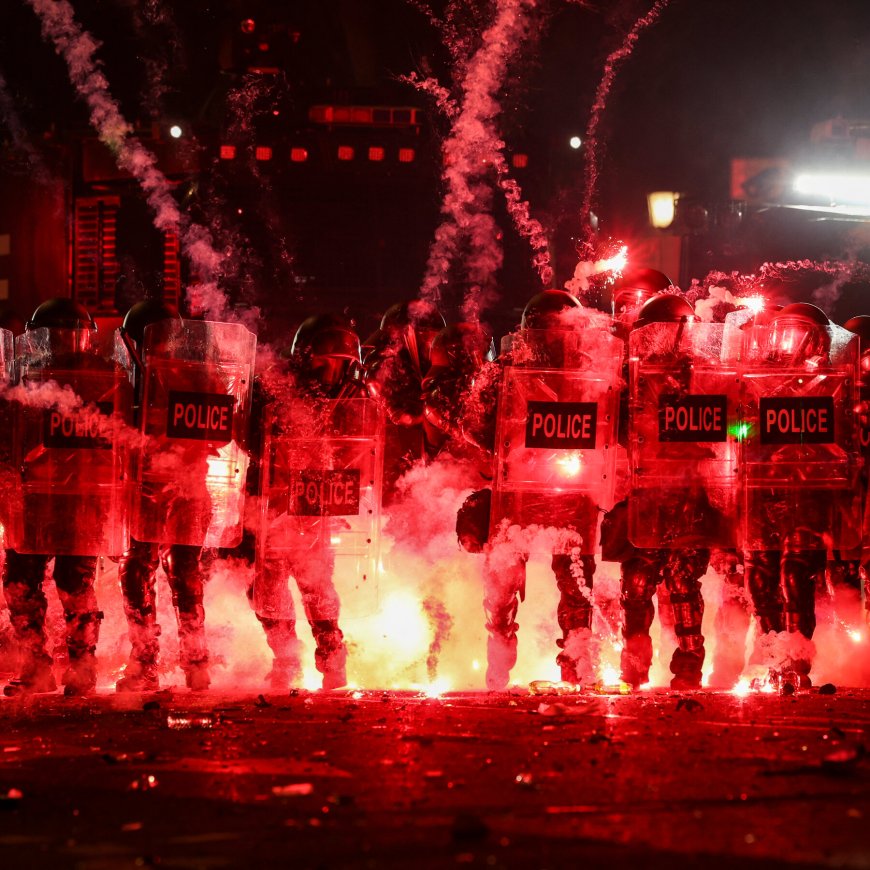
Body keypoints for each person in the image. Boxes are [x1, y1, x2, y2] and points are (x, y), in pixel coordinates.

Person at [458, 289, 621, 689]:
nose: (555, 338)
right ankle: (497, 663)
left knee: (576, 583)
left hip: (571, 489)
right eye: (548, 329)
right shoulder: (506, 369)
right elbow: (473, 419)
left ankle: (578, 664)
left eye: (562, 328)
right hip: (519, 487)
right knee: (503, 583)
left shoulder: (594, 371)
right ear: (532, 330)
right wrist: (505, 448)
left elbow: (614, 423)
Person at [2, 298, 124, 696]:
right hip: (38, 498)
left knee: (71, 586)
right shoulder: (26, 378)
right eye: (54, 335)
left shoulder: (108, 378)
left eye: (66, 334)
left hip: (81, 498)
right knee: (23, 584)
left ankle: (80, 669)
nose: (61, 343)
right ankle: (39, 669)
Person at [251, 314, 365, 690]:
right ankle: (286, 660)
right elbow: (248, 436)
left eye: (340, 365)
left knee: (317, 585)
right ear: (304, 358)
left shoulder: (354, 399)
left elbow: (363, 449)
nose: (331, 373)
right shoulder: (272, 389)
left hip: (316, 505)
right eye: (324, 362)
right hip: (273, 504)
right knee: (268, 588)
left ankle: (333, 662)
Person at [606, 293, 714, 690]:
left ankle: (688, 665)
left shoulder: (706, 376)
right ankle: (634, 666)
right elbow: (612, 428)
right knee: (636, 586)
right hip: (645, 493)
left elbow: (733, 427)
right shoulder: (629, 378)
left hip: (690, 495)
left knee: (684, 585)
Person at [115, 299, 212, 692]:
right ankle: (151, 664)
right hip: (145, 489)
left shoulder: (196, 378)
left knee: (180, 576)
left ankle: (193, 664)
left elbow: (222, 431)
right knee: (140, 574)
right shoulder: (126, 380)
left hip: (182, 489)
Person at [364, 300, 446, 498]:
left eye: (431, 341)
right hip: (387, 489)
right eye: (425, 341)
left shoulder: (442, 383)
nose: (428, 350)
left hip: (435, 487)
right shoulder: (378, 382)